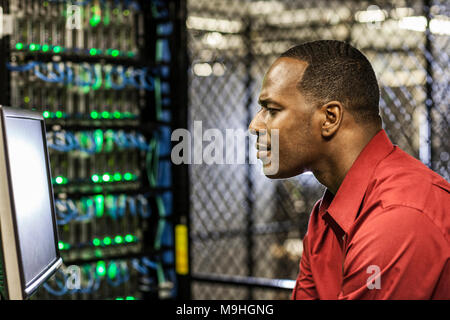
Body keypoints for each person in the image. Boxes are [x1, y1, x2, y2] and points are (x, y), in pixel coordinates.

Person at [248, 40, 449, 299]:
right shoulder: (325, 215)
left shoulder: (398, 216)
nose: (255, 125)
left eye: (272, 110)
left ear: (330, 118)